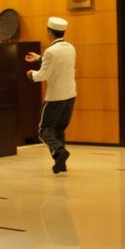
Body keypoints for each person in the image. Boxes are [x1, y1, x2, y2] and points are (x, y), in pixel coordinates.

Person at [26, 16, 77, 174]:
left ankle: (60, 151)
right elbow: (58, 62)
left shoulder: (51, 51)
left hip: (55, 98)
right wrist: (40, 58)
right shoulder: (70, 47)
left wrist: (31, 74)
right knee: (58, 130)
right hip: (70, 95)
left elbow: (42, 75)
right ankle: (60, 164)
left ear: (49, 32)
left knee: (43, 130)